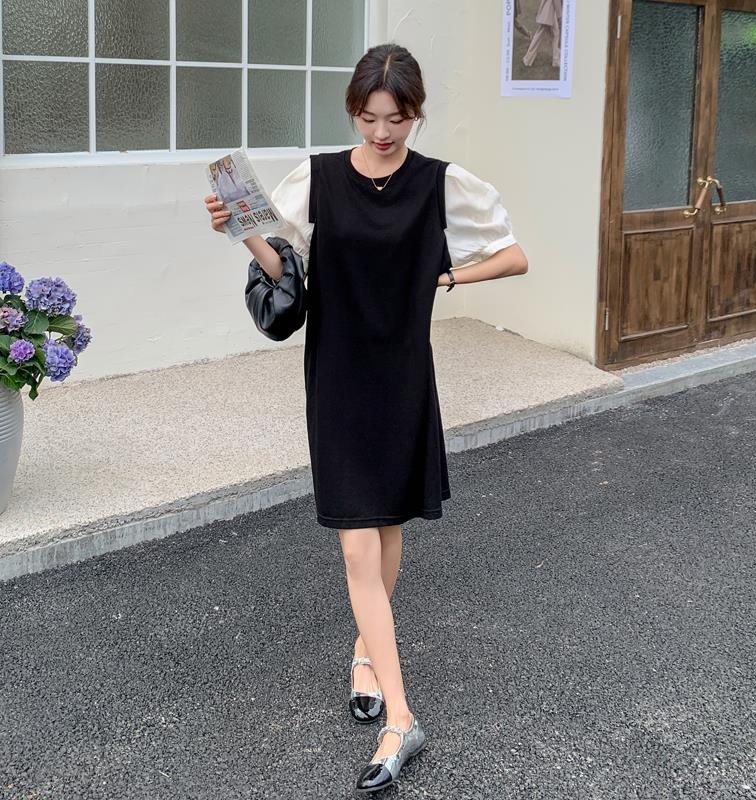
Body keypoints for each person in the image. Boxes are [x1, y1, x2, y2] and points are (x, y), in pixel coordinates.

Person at [204, 43, 528, 794]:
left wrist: (452, 274)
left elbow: (514, 255)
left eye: (397, 118)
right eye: (369, 116)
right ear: (353, 110)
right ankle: (401, 719)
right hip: (339, 376)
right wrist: (239, 228)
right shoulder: (316, 179)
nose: (382, 132)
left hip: (404, 374)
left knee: (386, 528)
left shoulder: (442, 183)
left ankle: (363, 654)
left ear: (415, 114)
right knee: (357, 544)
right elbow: (284, 268)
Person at [522, 0, 563, 69]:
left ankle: (556, 58)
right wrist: (559, 16)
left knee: (555, 34)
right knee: (539, 36)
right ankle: (527, 59)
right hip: (549, 11)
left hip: (549, 10)